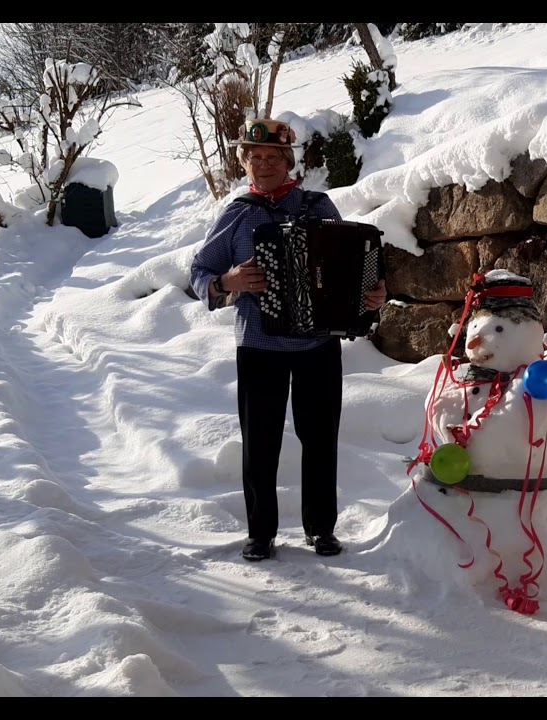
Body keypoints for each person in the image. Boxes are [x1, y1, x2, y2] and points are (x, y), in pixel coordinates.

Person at [189, 118, 387, 562]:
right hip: (259, 345)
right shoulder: (237, 214)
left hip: (318, 345)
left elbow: (354, 267)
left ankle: (321, 529)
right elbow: (199, 275)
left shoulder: (319, 207)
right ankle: (260, 533)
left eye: (272, 158)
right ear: (244, 163)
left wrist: (372, 295)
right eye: (253, 158)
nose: (262, 166)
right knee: (260, 442)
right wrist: (230, 280)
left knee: (320, 438)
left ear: (288, 162)